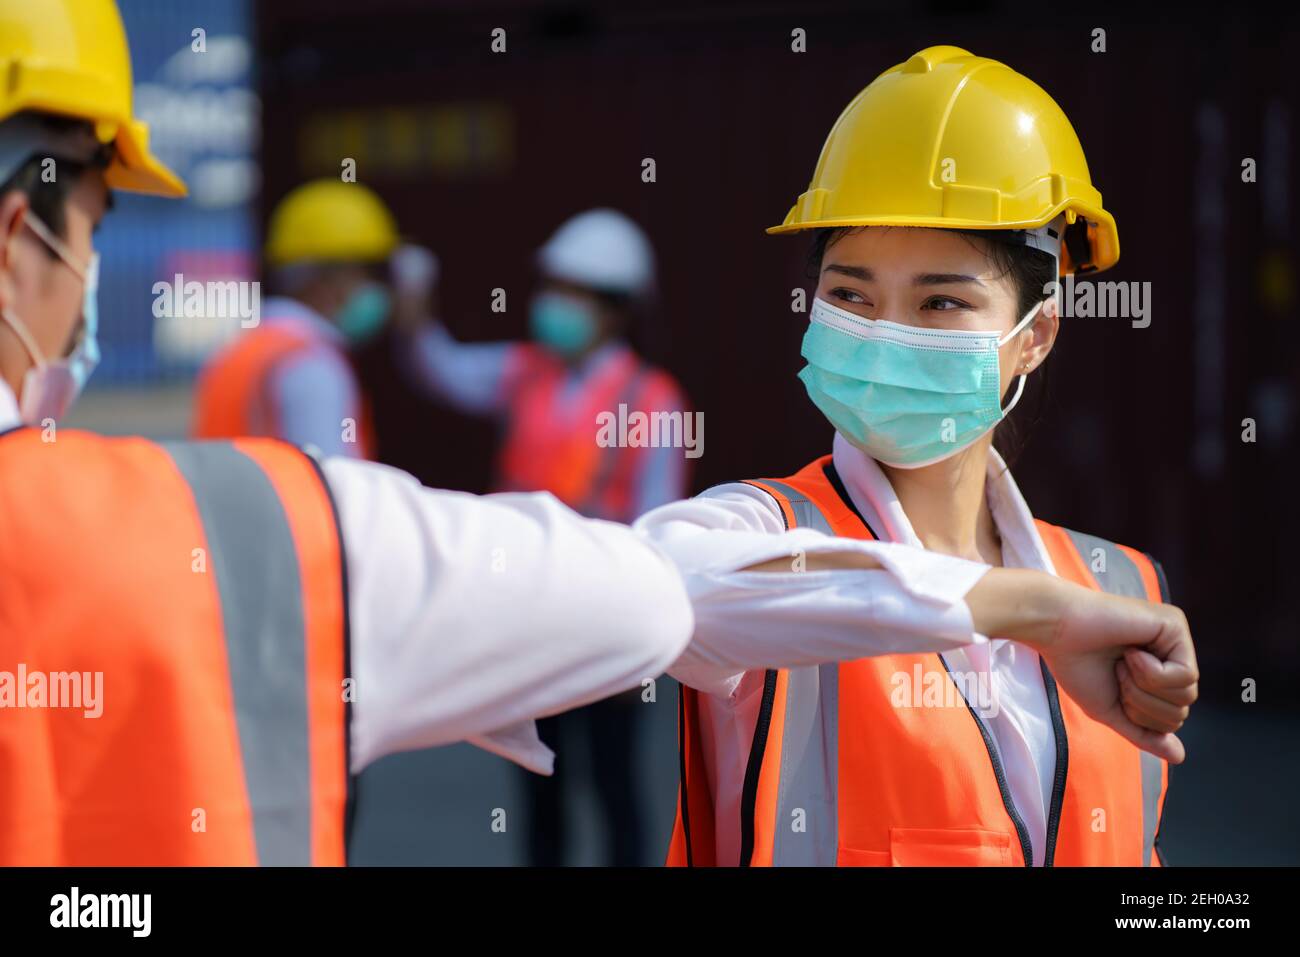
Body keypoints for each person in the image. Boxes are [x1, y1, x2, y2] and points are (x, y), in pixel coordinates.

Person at [635, 45, 1200, 866]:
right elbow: (655, 583)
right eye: (850, 294)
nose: (883, 333)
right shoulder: (766, 530)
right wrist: (1027, 611)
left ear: (1034, 334)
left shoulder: (1122, 587)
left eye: (940, 301)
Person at [393, 210, 691, 864]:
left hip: (608, 622)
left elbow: (661, 523)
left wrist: (645, 631)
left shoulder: (652, 399)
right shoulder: (527, 370)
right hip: (529, 617)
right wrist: (413, 305)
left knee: (614, 784)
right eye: (553, 287)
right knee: (538, 780)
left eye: (573, 293)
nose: (553, 305)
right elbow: (440, 368)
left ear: (613, 310)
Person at [192, 179, 399, 458]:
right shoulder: (311, 363)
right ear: (326, 278)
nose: (375, 289)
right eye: (365, 274)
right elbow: (337, 486)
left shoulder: (248, 346)